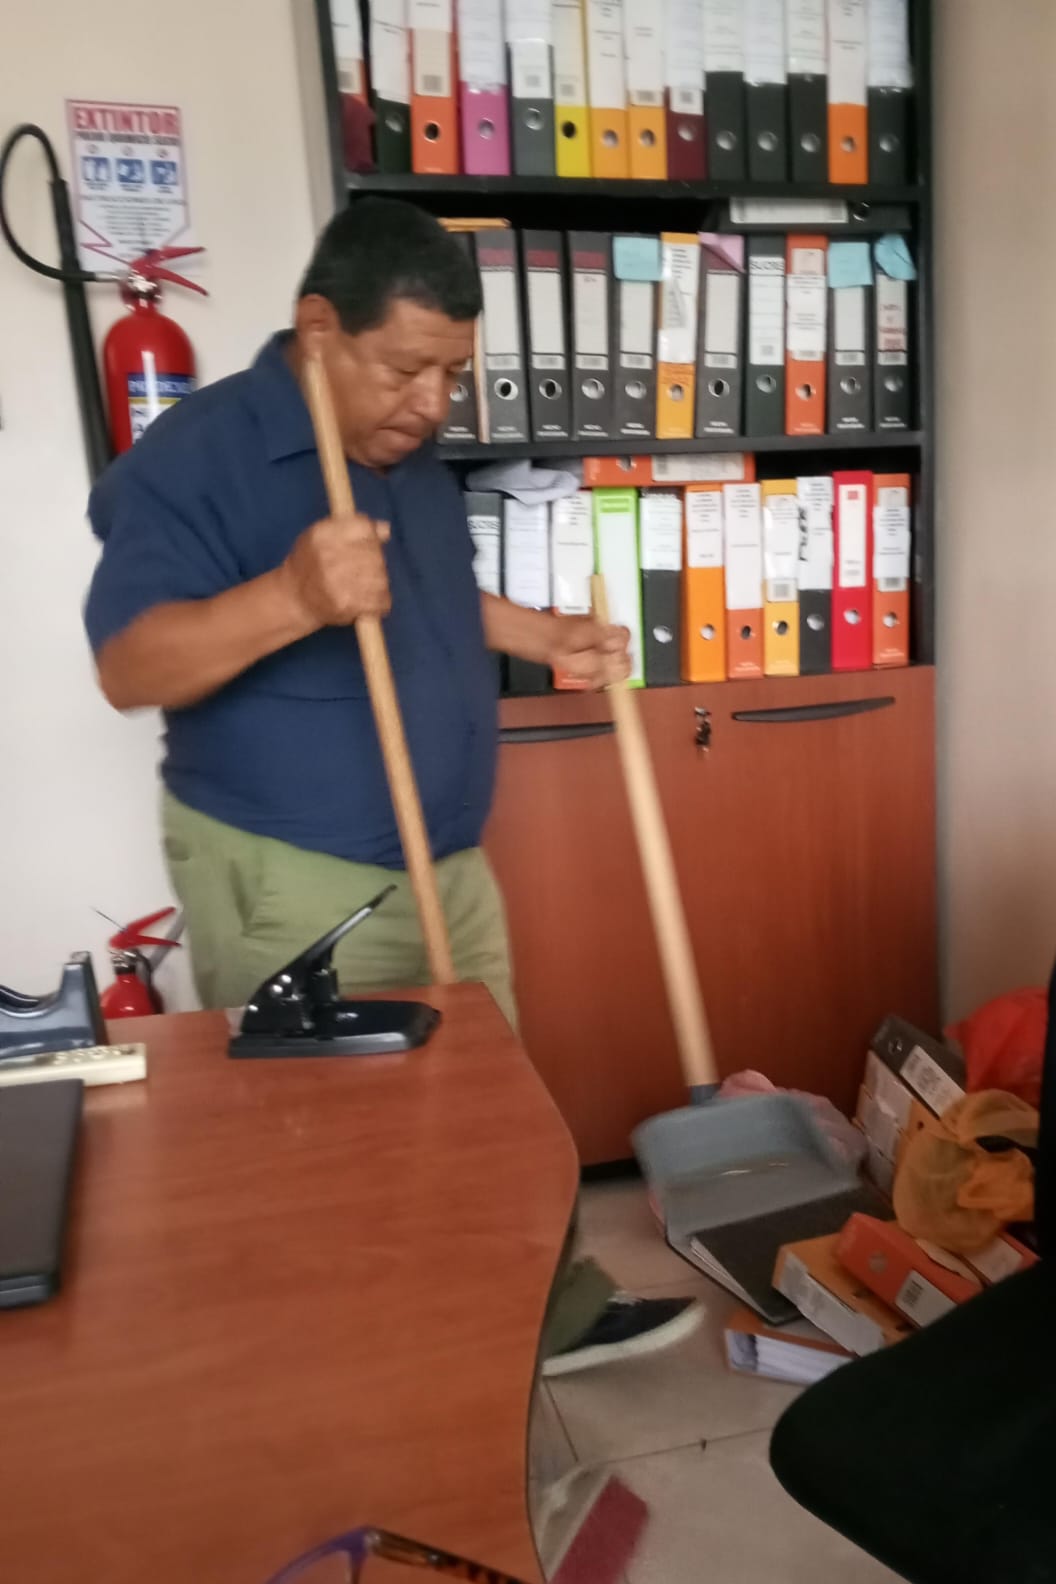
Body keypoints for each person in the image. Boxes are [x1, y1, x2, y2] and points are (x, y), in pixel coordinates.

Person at [84, 198, 702, 1377]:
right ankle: (358, 1371)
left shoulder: (399, 452)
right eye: (406, 368)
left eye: (452, 373)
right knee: (329, 1139)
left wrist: (546, 634)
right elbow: (129, 666)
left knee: (489, 1102)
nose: (431, 403)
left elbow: (427, 593)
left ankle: (539, 1315)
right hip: (292, 871)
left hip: (446, 853)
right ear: (320, 329)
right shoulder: (195, 457)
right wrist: (291, 598)